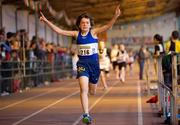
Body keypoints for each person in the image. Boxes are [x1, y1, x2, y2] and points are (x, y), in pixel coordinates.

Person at [40, 4, 121, 124]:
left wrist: (115, 16)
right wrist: (47, 21)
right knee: (83, 90)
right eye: (83, 23)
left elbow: (108, 26)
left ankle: (91, 88)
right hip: (82, 65)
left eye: (87, 23)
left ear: (90, 24)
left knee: (92, 92)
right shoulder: (76, 34)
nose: (85, 25)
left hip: (94, 66)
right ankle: (86, 115)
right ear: (79, 24)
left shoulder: (94, 33)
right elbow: (59, 31)